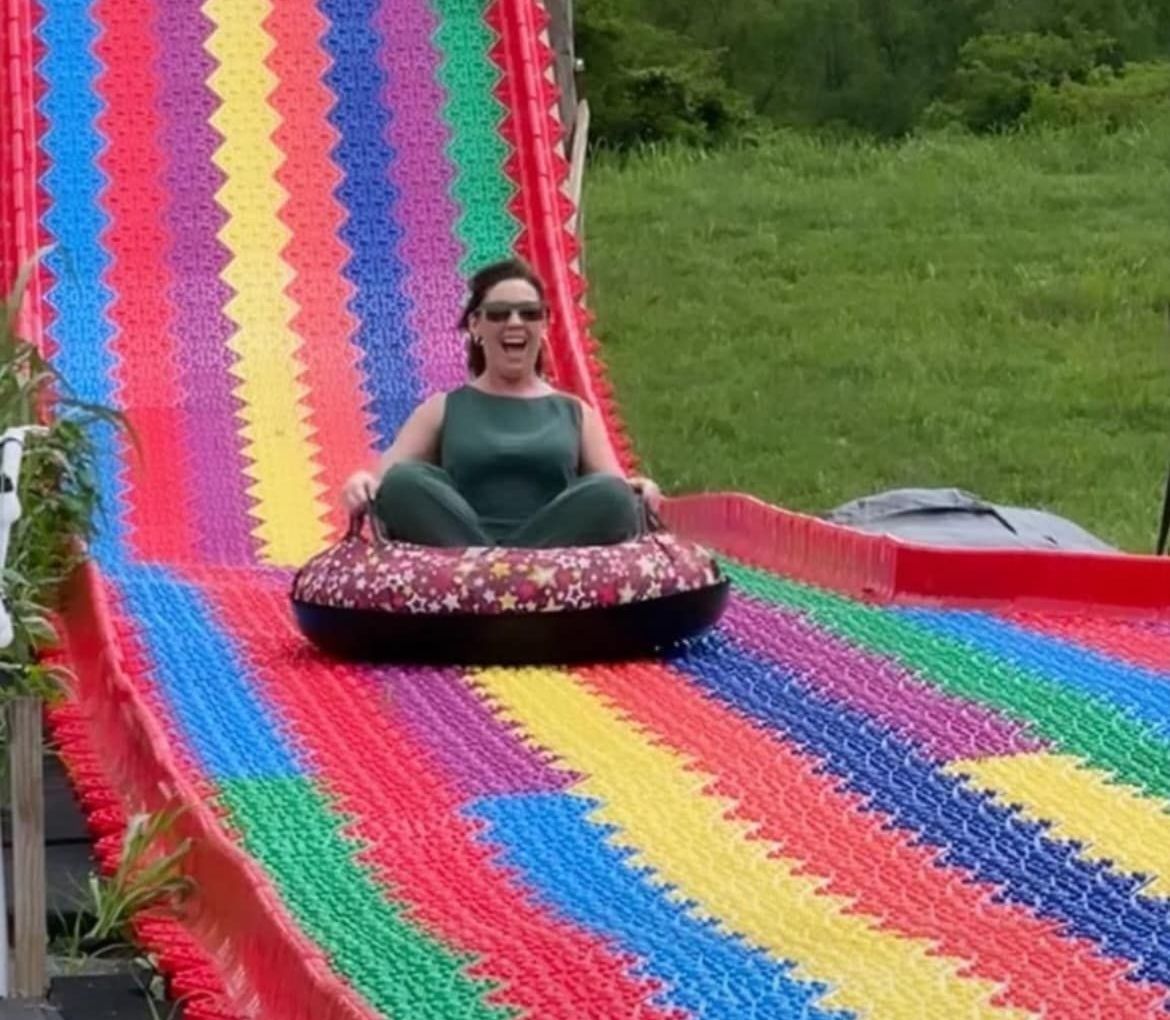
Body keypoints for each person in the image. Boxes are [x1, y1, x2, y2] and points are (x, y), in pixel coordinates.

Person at [340, 257, 662, 549]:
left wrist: (638, 489)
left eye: (529, 313)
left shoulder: (575, 412)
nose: (515, 322)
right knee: (404, 481)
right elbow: (383, 480)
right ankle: (490, 569)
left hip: (552, 560)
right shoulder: (442, 408)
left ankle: (503, 571)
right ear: (476, 325)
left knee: (612, 494)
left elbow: (613, 490)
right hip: (458, 552)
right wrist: (361, 482)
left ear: (544, 324)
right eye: (499, 314)